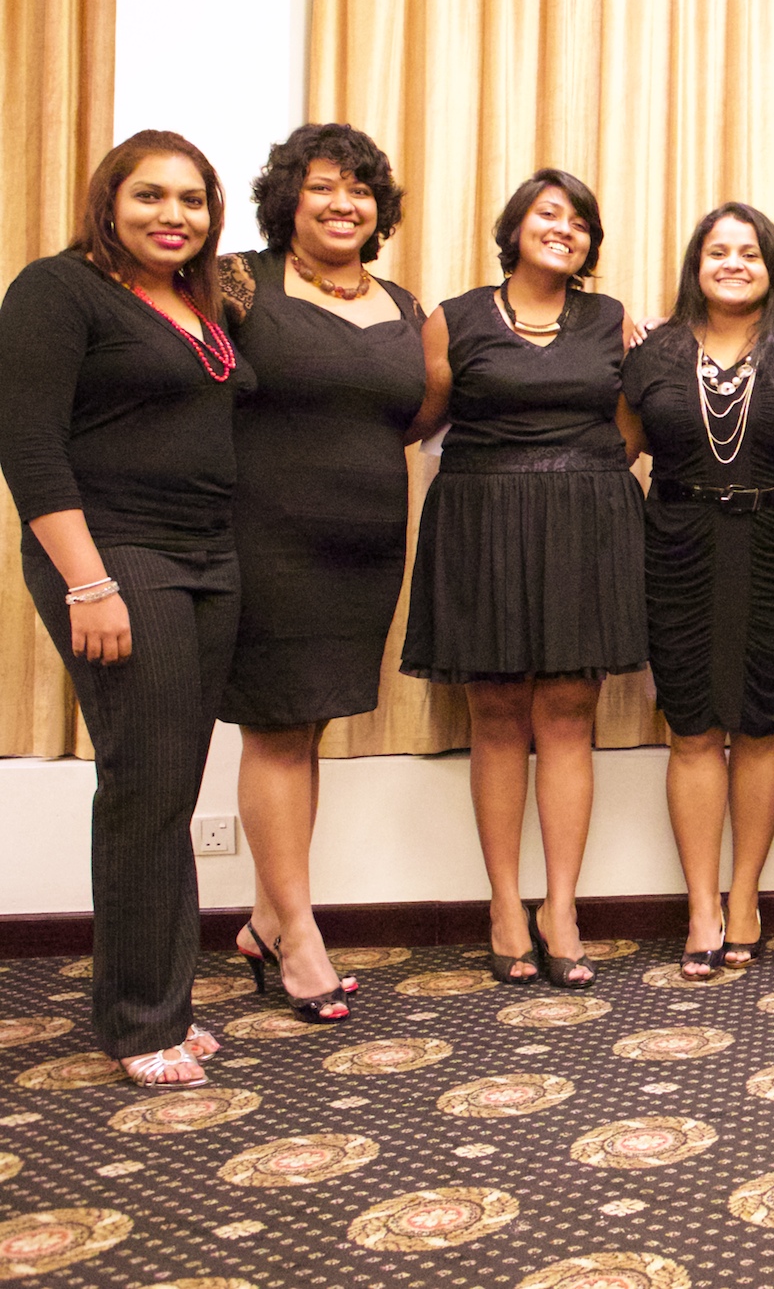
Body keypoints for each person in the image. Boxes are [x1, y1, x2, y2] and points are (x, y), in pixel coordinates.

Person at [0, 130, 250, 1087]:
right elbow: (28, 442)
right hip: (116, 555)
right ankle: (141, 1022)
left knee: (172, 785)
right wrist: (88, 581)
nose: (172, 216)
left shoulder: (201, 306)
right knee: (144, 781)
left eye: (191, 201)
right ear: (109, 200)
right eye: (151, 196)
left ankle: (163, 1001)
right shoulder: (57, 290)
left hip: (206, 556)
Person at [401, 169, 645, 989]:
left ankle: (562, 906)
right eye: (549, 213)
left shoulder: (614, 320)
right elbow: (421, 419)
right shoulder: (455, 318)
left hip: (582, 522)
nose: (564, 227)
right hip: (482, 524)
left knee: (570, 711)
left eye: (579, 219)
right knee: (498, 712)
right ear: (515, 228)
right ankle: (505, 904)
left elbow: (627, 435)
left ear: (589, 244)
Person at [216, 124, 428, 1024]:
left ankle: (268, 915)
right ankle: (298, 936)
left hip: (368, 545)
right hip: (263, 537)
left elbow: (416, 418)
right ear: (287, 199)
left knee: (309, 729)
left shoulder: (404, 302)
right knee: (273, 725)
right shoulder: (235, 282)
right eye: (323, 186)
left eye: (360, 190)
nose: (344, 203)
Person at [620, 204, 774, 979]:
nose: (733, 262)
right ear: (695, 264)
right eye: (718, 251)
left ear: (772, 266)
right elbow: (618, 448)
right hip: (677, 545)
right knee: (694, 726)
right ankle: (701, 903)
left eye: (749, 251)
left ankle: (746, 895)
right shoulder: (654, 348)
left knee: (763, 723)